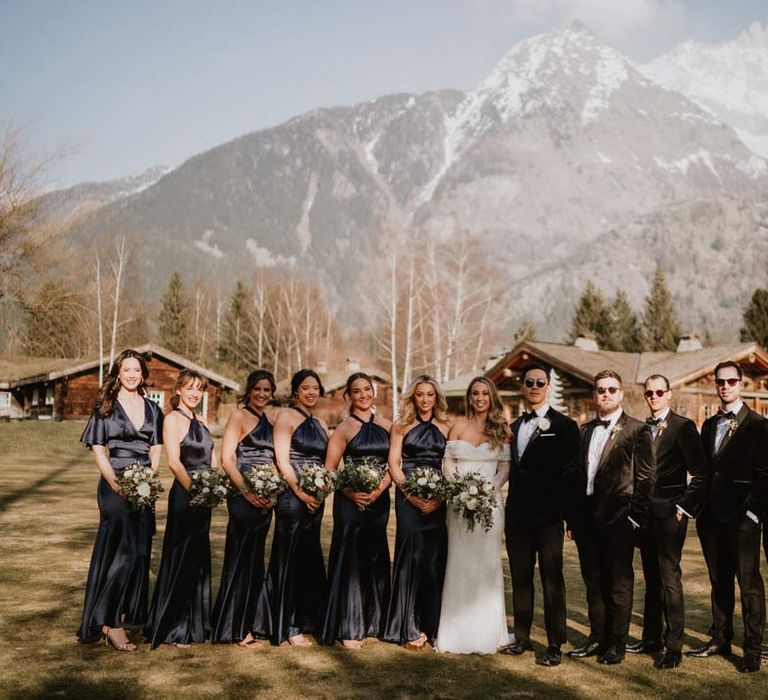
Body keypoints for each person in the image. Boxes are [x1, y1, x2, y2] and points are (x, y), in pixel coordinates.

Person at [77, 349, 163, 650]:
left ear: (143, 374)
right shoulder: (106, 405)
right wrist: (116, 484)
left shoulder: (153, 409)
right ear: (118, 372)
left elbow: (155, 448)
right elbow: (98, 449)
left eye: (136, 369)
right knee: (121, 552)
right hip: (114, 484)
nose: (131, 374)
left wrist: (149, 479)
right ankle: (111, 623)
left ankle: (118, 612)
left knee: (139, 552)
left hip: (143, 488)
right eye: (126, 369)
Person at [567, 369, 654, 665]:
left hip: (620, 519)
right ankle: (597, 638)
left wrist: (634, 518)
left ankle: (617, 644)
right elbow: (579, 476)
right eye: (600, 389)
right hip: (586, 521)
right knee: (593, 582)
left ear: (621, 394)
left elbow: (645, 479)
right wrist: (573, 519)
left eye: (611, 389)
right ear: (594, 395)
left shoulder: (637, 430)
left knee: (618, 584)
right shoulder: (585, 430)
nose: (605, 394)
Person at [689, 361, 768, 674]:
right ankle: (720, 638)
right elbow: (707, 471)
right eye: (721, 382)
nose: (726, 386)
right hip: (711, 519)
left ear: (742, 384)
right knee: (718, 581)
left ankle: (753, 648)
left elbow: (765, 474)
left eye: (731, 381)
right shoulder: (708, 426)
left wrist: (752, 513)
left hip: (743, 519)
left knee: (749, 584)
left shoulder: (758, 425)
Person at [627, 374, 709, 670]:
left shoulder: (683, 427)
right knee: (650, 578)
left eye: (659, 391)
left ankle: (673, 647)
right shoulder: (639, 428)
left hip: (670, 515)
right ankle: (651, 638)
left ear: (669, 394)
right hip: (644, 515)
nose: (654, 396)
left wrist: (683, 507)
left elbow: (700, 474)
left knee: (669, 577)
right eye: (649, 392)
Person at [502, 363, 580, 667]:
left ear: (548, 387)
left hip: (548, 519)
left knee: (551, 579)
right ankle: (521, 638)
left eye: (540, 382)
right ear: (523, 387)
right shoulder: (513, 427)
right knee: (521, 579)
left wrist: (568, 517)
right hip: (518, 517)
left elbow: (571, 474)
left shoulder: (564, 425)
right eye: (529, 382)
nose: (534, 386)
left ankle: (554, 644)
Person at [435, 376, 511, 655]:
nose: (479, 398)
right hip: (458, 503)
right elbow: (448, 464)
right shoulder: (457, 426)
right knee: (459, 560)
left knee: (487, 563)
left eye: (484, 394)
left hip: (490, 504)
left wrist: (486, 491)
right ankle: (456, 630)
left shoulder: (501, 429)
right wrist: (460, 489)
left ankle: (489, 631)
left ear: (491, 397)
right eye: (475, 394)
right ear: (469, 397)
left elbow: (504, 469)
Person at [257, 369, 330, 646]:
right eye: (305, 387)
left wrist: (321, 491)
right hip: (292, 495)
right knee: (289, 554)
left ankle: (310, 618)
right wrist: (300, 491)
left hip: (316, 498)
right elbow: (282, 460)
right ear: (296, 391)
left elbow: (327, 463)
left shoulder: (322, 423)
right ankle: (288, 624)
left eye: (315, 388)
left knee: (310, 555)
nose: (311, 392)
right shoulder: (286, 417)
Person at [320, 372, 392, 648]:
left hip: (378, 501)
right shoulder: (343, 428)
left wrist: (380, 489)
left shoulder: (387, 425)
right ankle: (348, 626)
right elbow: (329, 470)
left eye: (367, 390)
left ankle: (375, 621)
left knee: (376, 555)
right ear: (348, 396)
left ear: (373, 392)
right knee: (350, 557)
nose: (363, 395)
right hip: (350, 503)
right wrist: (351, 492)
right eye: (357, 391)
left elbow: (394, 464)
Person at [145, 370, 215, 649]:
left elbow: (211, 458)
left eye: (199, 389)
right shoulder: (172, 419)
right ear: (179, 390)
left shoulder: (203, 420)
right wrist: (197, 492)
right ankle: (174, 627)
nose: (195, 393)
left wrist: (213, 488)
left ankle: (195, 625)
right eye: (190, 388)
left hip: (204, 497)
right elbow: (174, 462)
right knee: (181, 556)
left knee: (198, 558)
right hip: (185, 497)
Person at [212, 369, 280, 647]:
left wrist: (273, 490)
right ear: (249, 390)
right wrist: (248, 492)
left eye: (267, 390)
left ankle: (251, 621)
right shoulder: (238, 416)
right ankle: (235, 628)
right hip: (243, 496)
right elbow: (227, 460)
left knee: (255, 561)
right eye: (258, 389)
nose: (262, 394)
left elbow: (276, 458)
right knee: (239, 559)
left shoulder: (271, 420)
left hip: (266, 498)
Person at [384, 375, 450, 649]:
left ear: (437, 398)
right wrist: (409, 493)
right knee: (410, 558)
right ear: (413, 397)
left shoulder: (447, 427)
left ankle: (433, 625)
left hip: (437, 498)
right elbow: (393, 462)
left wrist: (440, 495)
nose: (425, 400)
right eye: (420, 395)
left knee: (434, 562)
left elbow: (450, 466)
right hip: (408, 497)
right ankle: (407, 627)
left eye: (430, 395)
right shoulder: (401, 426)